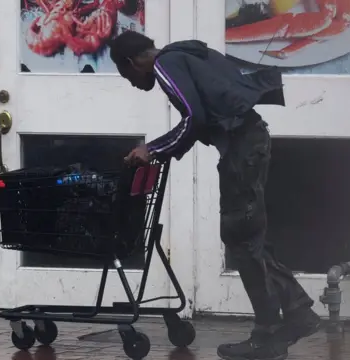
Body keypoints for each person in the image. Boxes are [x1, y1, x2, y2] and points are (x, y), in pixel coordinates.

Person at [108, 30, 321, 360]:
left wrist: (152, 149)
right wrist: (159, 150)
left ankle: (280, 326)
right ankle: (286, 321)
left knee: (242, 235)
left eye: (127, 75)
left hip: (242, 149)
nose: (133, 83)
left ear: (131, 62)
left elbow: (194, 118)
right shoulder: (192, 54)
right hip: (250, 144)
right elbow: (208, 111)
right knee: (248, 236)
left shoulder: (165, 64)